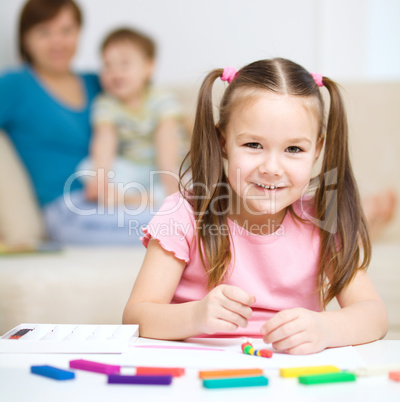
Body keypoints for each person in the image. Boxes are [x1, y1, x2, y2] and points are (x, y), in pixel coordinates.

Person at [123, 58, 388, 354]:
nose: (272, 167)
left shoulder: (322, 219)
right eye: (253, 145)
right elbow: (135, 317)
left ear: (317, 150)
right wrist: (195, 316)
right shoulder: (185, 214)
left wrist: (326, 328)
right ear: (223, 141)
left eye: (293, 149)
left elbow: (375, 316)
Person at [0, 0, 102, 245]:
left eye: (66, 30)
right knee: (173, 229)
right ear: (26, 39)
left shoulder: (98, 82)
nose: (58, 42)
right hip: (66, 210)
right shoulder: (15, 85)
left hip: (116, 198)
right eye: (44, 32)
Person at [78, 28, 184, 209]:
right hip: (132, 167)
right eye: (107, 65)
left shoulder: (161, 99)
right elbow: (104, 139)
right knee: (86, 167)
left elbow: (166, 138)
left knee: (189, 182)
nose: (115, 72)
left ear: (148, 68)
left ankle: (139, 198)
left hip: (163, 164)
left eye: (124, 64)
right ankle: (138, 198)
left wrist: (168, 177)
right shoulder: (106, 103)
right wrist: (100, 177)